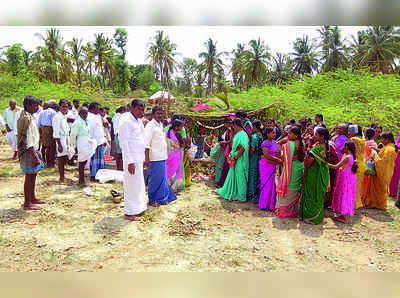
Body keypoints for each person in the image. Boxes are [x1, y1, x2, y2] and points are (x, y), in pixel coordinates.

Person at [117, 99, 147, 221]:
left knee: (138, 184)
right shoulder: (125, 121)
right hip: (131, 159)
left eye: (142, 110)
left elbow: (140, 138)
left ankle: (138, 208)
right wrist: (129, 162)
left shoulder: (138, 121)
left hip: (138, 157)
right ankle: (129, 212)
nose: (141, 112)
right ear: (131, 108)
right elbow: (124, 143)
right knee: (130, 185)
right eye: (139, 109)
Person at [144, 106, 177, 207]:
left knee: (162, 179)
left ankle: (162, 198)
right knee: (154, 180)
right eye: (158, 113)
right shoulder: (150, 126)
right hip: (154, 158)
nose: (160, 115)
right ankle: (152, 200)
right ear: (153, 114)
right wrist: (147, 160)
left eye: (161, 113)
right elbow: (146, 144)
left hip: (162, 157)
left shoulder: (159, 125)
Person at [17, 96, 45, 210]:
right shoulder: (25, 119)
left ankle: (32, 198)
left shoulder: (30, 116)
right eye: (35, 105)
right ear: (28, 106)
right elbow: (27, 140)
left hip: (34, 149)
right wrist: (34, 156)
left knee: (33, 175)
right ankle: (27, 203)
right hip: (29, 151)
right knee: (29, 177)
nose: (37, 107)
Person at [299, 127, 330, 225]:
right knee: (318, 195)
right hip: (322, 174)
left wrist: (307, 153)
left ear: (322, 136)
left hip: (314, 174)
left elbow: (308, 163)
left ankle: (310, 217)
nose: (313, 136)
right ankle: (316, 216)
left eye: (316, 134)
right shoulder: (325, 146)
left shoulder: (317, 148)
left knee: (311, 194)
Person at [216, 118, 249, 202]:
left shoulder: (242, 134)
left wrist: (235, 157)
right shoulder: (239, 134)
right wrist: (231, 155)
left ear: (235, 125)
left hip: (239, 160)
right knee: (235, 177)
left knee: (240, 178)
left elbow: (242, 149)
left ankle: (242, 197)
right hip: (236, 159)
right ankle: (236, 194)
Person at [362, 132, 397, 210]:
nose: (381, 140)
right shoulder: (388, 147)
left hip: (384, 172)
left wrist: (374, 154)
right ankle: (374, 203)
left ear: (387, 139)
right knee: (376, 187)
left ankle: (379, 204)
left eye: (383, 139)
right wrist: (376, 151)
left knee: (380, 188)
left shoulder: (389, 149)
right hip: (383, 171)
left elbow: (383, 163)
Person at [275, 126, 305, 218]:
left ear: (296, 135)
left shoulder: (290, 145)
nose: (288, 135)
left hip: (291, 169)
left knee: (288, 187)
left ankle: (284, 210)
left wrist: (280, 149)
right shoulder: (301, 143)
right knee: (295, 187)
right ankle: (293, 210)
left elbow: (283, 158)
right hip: (299, 168)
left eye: (290, 134)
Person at [328, 141, 358, 224]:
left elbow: (336, 166)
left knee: (344, 194)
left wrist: (325, 163)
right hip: (349, 178)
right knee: (347, 194)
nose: (342, 148)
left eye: (344, 147)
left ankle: (344, 217)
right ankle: (344, 214)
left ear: (347, 148)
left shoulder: (347, 157)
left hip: (345, 179)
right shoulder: (352, 157)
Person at [70, 107, 97, 186]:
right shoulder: (77, 123)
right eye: (83, 113)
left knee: (85, 160)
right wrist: (74, 146)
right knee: (81, 162)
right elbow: (73, 135)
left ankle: (82, 179)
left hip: (87, 142)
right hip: (81, 142)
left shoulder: (86, 121)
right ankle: (81, 180)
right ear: (79, 114)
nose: (85, 115)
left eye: (86, 113)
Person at [258, 127, 280, 210]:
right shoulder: (265, 143)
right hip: (266, 166)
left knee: (272, 185)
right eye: (272, 133)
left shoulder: (275, 142)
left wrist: (279, 155)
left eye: (274, 133)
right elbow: (266, 155)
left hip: (273, 165)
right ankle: (264, 204)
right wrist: (278, 160)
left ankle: (271, 205)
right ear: (267, 134)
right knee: (266, 184)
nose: (274, 134)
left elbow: (277, 152)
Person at [53, 99, 74, 183]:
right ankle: (61, 177)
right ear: (60, 107)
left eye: (66, 106)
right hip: (60, 139)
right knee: (61, 158)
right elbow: (56, 132)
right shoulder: (57, 117)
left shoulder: (64, 116)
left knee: (65, 156)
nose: (65, 108)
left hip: (66, 137)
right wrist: (59, 145)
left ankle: (63, 176)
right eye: (63, 106)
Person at [348, 124, 366, 209]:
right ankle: (357, 202)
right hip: (362, 163)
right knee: (358, 185)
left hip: (355, 163)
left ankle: (352, 203)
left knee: (352, 184)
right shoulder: (363, 140)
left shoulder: (353, 140)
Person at [87, 102, 106, 182]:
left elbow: (100, 129)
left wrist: (103, 139)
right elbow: (89, 130)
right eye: (97, 108)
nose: (99, 110)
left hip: (100, 141)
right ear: (92, 109)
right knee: (93, 159)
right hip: (93, 142)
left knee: (100, 159)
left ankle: (99, 175)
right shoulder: (88, 117)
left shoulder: (98, 117)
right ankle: (93, 175)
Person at [211, 117, 232, 187]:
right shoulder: (229, 130)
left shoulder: (230, 130)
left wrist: (224, 142)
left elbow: (231, 141)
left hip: (229, 150)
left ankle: (223, 183)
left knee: (226, 166)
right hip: (226, 150)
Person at [165, 119, 185, 192]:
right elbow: (182, 145)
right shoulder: (178, 135)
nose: (182, 128)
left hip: (168, 155)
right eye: (181, 126)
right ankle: (173, 188)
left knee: (168, 171)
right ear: (176, 127)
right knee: (175, 171)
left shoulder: (167, 133)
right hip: (175, 156)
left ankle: (167, 186)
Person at [247, 120, 263, 203]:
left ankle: (252, 194)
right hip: (259, 158)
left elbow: (253, 149)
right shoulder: (261, 135)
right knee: (257, 176)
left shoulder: (254, 137)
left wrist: (249, 156)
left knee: (252, 176)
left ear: (255, 127)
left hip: (253, 158)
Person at [38, 101, 57, 168]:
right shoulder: (53, 112)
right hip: (50, 129)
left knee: (46, 146)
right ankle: (50, 163)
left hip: (43, 129)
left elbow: (39, 125)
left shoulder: (42, 113)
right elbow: (54, 123)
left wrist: (41, 134)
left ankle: (46, 161)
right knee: (52, 147)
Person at [113, 106, 126, 171]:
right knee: (120, 153)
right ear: (123, 111)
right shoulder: (120, 117)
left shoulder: (116, 117)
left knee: (119, 153)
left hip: (117, 135)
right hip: (119, 135)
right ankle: (119, 168)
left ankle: (119, 167)